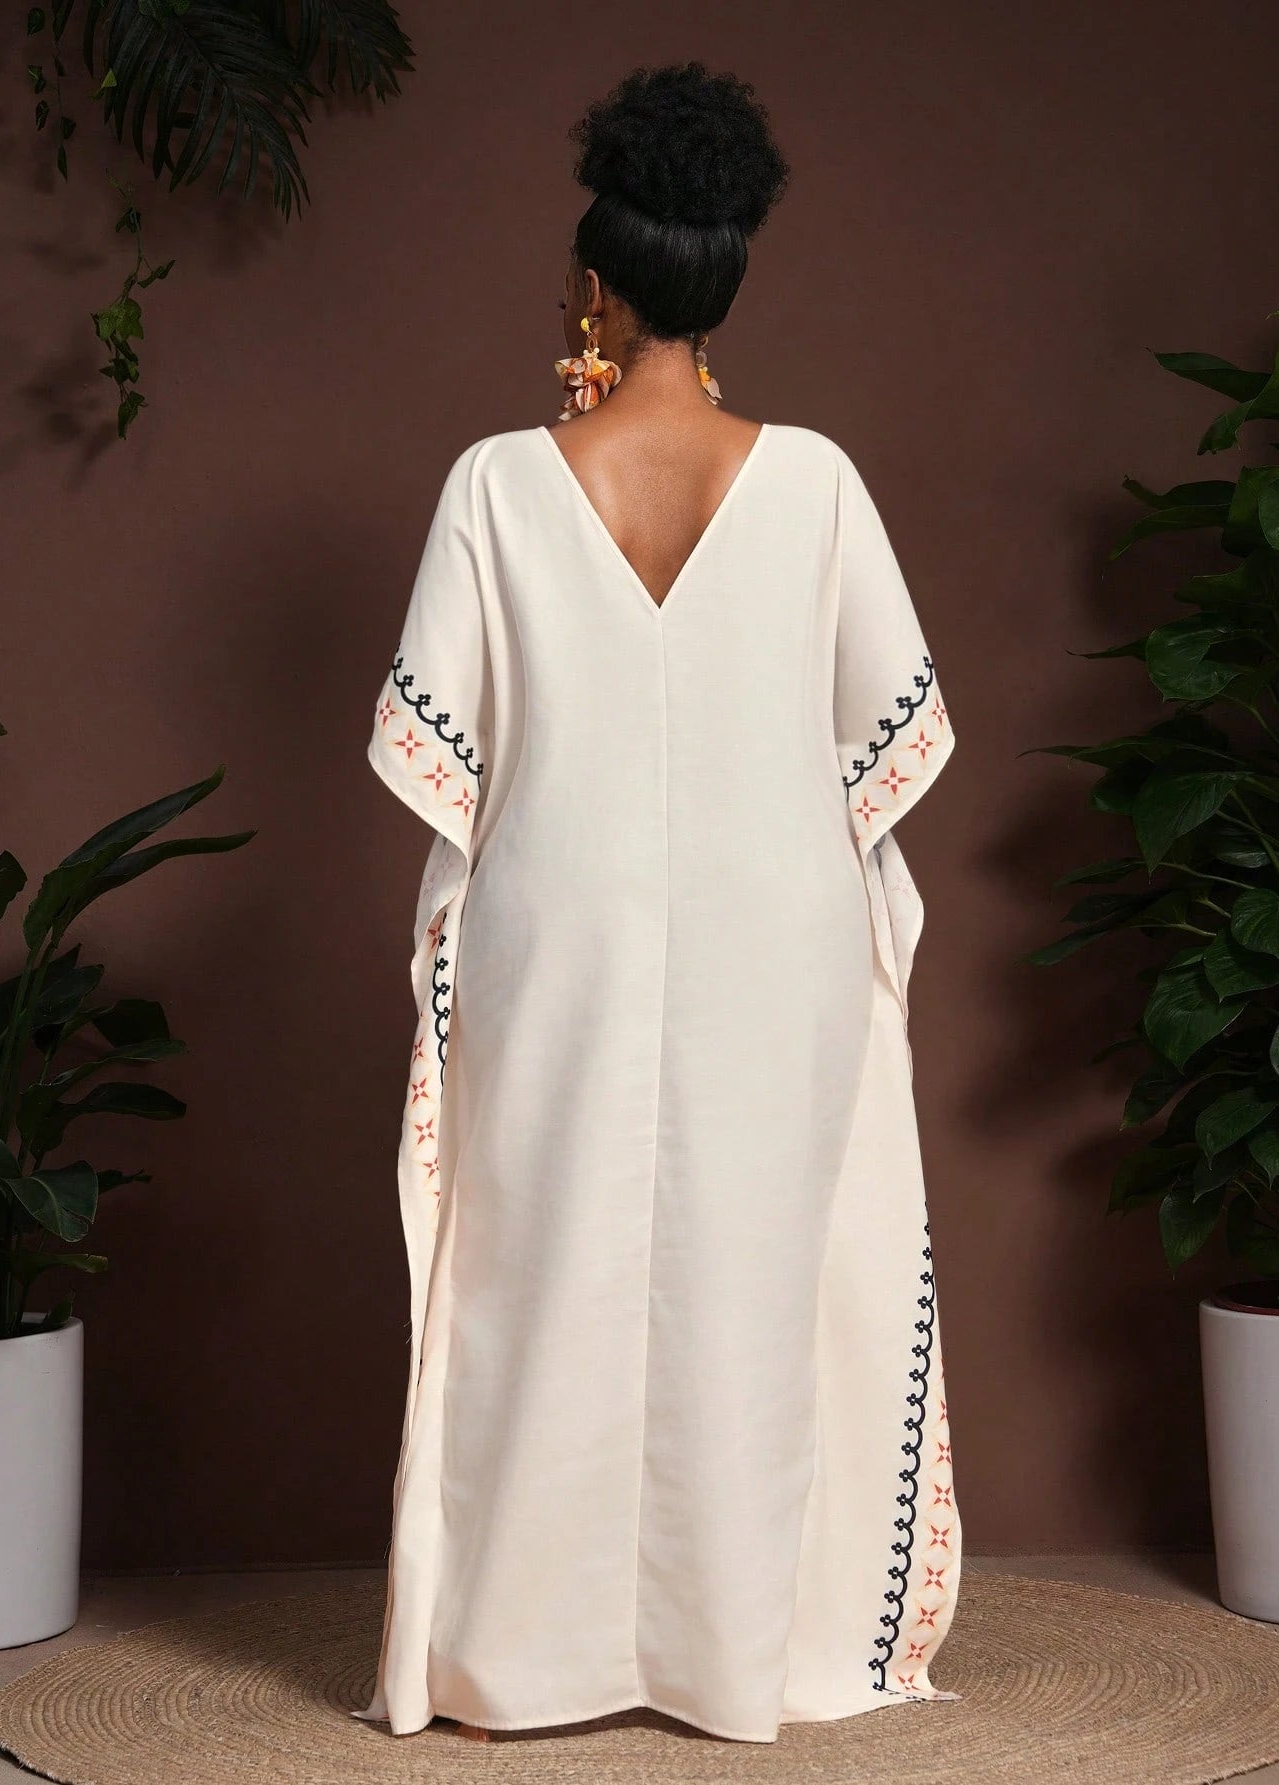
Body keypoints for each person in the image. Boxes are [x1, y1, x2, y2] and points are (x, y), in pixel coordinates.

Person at [355, 60, 961, 1748]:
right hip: (785, 934)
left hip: (559, 929)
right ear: (724, 274)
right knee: (756, 1274)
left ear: (599, 285)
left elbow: (440, 764)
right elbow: (888, 747)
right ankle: (734, 1648)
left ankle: (517, 1654)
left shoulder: (498, 482)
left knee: (533, 1269)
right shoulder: (818, 481)